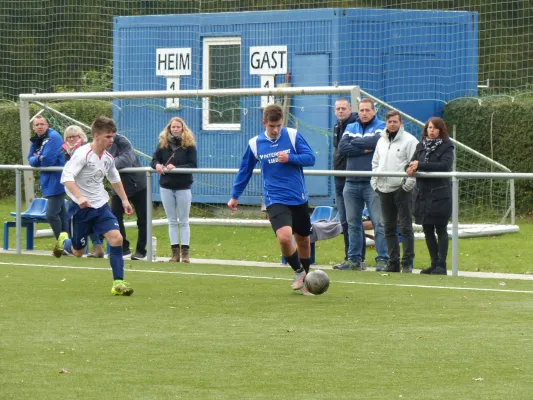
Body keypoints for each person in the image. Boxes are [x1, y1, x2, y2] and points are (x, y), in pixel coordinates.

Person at [227, 104, 316, 295]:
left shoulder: (292, 136)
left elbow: (310, 158)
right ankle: (299, 272)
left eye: (278, 126)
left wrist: (290, 158)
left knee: (303, 239)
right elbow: (245, 170)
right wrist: (235, 196)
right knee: (284, 238)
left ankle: (306, 281)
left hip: (298, 196)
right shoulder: (255, 143)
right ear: (264, 123)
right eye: (272, 126)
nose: (276, 130)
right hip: (274, 198)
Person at [53, 116, 135, 296]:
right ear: (96, 135)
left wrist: (124, 200)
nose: (111, 140)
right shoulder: (82, 155)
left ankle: (118, 283)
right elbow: (66, 178)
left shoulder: (107, 158)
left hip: (100, 206)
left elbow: (114, 179)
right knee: (77, 251)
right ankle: (64, 241)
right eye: (108, 137)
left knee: (117, 238)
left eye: (113, 136)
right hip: (80, 209)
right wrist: (80, 197)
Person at [338, 98, 388, 271]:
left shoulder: (381, 125)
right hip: (351, 182)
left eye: (368, 110)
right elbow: (342, 147)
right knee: (352, 223)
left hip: (372, 182)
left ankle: (383, 259)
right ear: (357, 111)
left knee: (378, 223)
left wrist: (356, 145)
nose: (364, 113)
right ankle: (354, 259)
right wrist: (364, 148)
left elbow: (377, 143)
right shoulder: (351, 127)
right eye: (362, 110)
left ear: (374, 111)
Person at [371, 110, 418, 273]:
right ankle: (393, 262)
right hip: (383, 189)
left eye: (395, 122)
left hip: (401, 189)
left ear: (401, 123)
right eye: (389, 121)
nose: (392, 124)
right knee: (388, 227)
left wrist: (407, 185)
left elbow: (415, 164)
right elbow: (375, 162)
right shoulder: (381, 141)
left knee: (405, 227)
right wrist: (374, 182)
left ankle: (407, 262)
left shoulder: (410, 140)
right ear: (386, 123)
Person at [407, 117, 454, 275]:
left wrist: (420, 165)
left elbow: (445, 166)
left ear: (441, 130)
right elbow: (411, 162)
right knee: (427, 229)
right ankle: (434, 264)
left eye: (434, 128)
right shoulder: (421, 145)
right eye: (429, 127)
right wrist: (409, 169)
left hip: (440, 194)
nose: (431, 130)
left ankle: (442, 265)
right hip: (422, 194)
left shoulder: (447, 146)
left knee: (441, 229)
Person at [151, 117, 197, 263]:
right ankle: (174, 253)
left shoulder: (189, 146)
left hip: (183, 186)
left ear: (183, 129)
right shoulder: (163, 144)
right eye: (173, 127)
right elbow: (154, 160)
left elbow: (193, 165)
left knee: (183, 221)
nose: (175, 129)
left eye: (178, 127)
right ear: (169, 129)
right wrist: (157, 165)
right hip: (166, 185)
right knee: (171, 220)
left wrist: (177, 168)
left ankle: (185, 254)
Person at [60, 125, 104, 258]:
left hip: (87, 190)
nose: (71, 139)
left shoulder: (86, 149)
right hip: (76, 192)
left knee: (87, 217)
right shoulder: (67, 151)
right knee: (85, 221)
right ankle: (67, 243)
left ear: (81, 137)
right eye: (69, 137)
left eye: (74, 136)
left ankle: (95, 247)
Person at [331, 98, 363, 267]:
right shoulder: (337, 126)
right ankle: (350, 257)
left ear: (350, 109)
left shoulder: (355, 124)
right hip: (338, 177)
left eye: (344, 108)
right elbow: (340, 149)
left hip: (351, 177)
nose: (341, 111)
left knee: (353, 220)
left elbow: (351, 147)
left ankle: (357, 258)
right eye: (338, 108)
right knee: (344, 220)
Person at [27, 115, 69, 239]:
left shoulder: (53, 137)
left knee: (51, 214)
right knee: (61, 214)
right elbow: (30, 159)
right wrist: (38, 158)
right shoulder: (37, 139)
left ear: (47, 125)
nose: (39, 127)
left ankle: (61, 242)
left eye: (42, 124)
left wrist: (39, 158)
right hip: (48, 180)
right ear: (33, 127)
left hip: (57, 179)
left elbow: (48, 161)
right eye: (37, 125)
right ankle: (67, 244)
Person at [108, 133, 148, 260]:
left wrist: (106, 163)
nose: (109, 138)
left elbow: (127, 159)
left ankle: (141, 250)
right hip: (118, 186)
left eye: (110, 134)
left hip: (137, 184)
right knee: (114, 216)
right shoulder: (99, 143)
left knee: (143, 218)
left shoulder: (123, 141)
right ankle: (123, 247)